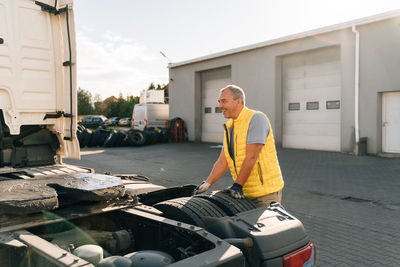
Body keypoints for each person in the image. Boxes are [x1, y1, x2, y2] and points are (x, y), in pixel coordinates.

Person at [193, 85, 284, 207]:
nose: (220, 106)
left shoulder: (256, 119)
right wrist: (208, 183)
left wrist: (237, 185)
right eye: (219, 102)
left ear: (239, 101)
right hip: (243, 193)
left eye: (224, 101)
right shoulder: (230, 127)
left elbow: (251, 157)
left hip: (265, 195)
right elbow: (222, 161)